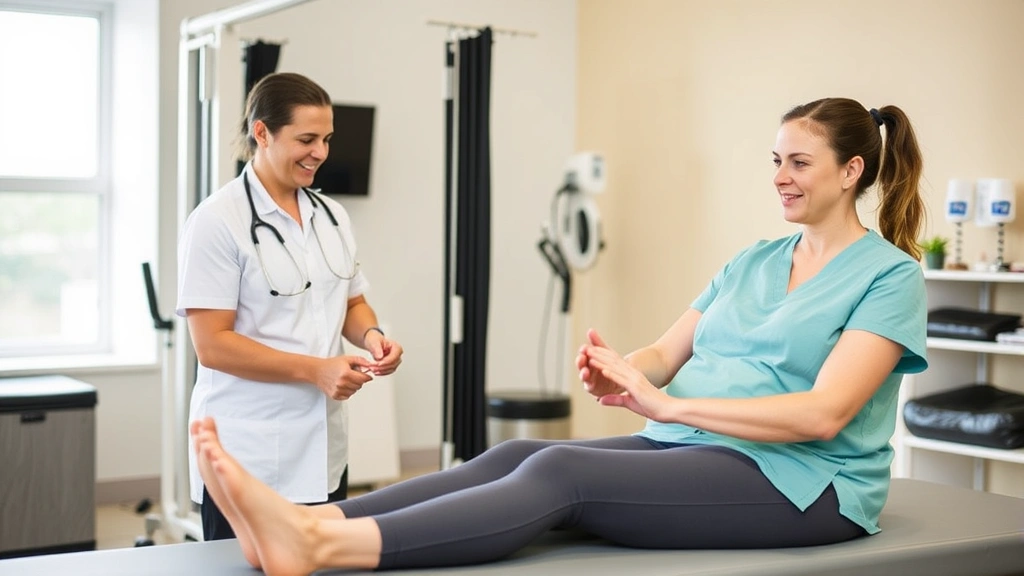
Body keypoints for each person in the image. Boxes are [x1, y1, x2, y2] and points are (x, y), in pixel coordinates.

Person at [189, 96, 928, 573]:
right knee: (516, 454)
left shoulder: (890, 277)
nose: (780, 177)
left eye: (798, 163)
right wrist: (623, 369)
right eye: (775, 161)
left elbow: (824, 414)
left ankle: (318, 545)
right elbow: (665, 354)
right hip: (696, 446)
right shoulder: (755, 260)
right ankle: (306, 518)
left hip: (804, 483)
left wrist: (666, 406)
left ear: (850, 171)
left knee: (562, 476)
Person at [177, 72, 403, 541]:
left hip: (323, 452)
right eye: (306, 139)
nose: (320, 152)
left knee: (326, 565)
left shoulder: (331, 216)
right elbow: (212, 346)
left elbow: (351, 301)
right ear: (262, 133)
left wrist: (373, 337)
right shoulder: (217, 221)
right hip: (249, 455)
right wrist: (316, 371)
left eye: (326, 139)